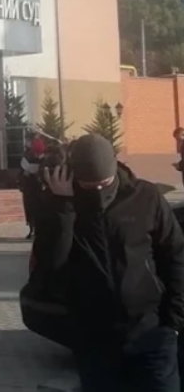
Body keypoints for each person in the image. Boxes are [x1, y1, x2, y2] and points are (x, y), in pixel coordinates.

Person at [37, 133, 184, 392]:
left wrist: (173, 320)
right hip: (94, 339)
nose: (97, 190)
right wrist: (62, 207)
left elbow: (175, 255)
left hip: (152, 332)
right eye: (88, 185)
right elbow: (50, 264)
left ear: (115, 167)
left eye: (103, 183)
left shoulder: (145, 197)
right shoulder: (61, 205)